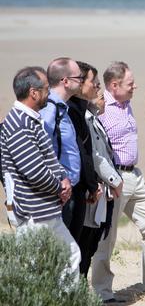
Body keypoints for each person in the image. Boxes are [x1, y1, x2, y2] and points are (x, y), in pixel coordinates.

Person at [91, 61, 145, 303]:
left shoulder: (126, 104)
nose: (135, 87)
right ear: (114, 85)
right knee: (107, 238)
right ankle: (103, 293)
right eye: (130, 84)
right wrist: (108, 180)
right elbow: (97, 149)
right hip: (115, 180)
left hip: (136, 175)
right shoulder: (102, 109)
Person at [0, 66, 80, 280]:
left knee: (70, 255)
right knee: (34, 268)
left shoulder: (31, 119)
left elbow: (49, 159)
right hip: (34, 211)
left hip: (47, 208)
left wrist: (63, 177)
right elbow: (34, 171)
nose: (49, 93)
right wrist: (59, 187)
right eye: (46, 89)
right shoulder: (18, 124)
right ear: (33, 93)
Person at [40, 58, 85, 240]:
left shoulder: (62, 108)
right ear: (65, 81)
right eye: (79, 77)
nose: (82, 81)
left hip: (68, 190)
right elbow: (42, 148)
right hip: (57, 192)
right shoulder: (50, 110)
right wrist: (57, 180)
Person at [67, 61, 104, 276]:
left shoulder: (82, 111)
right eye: (93, 82)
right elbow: (81, 153)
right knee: (69, 249)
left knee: (81, 246)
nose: (97, 87)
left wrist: (92, 184)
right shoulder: (69, 111)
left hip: (83, 189)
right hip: (69, 190)